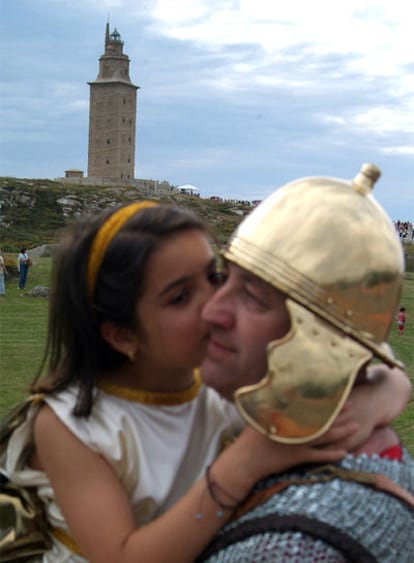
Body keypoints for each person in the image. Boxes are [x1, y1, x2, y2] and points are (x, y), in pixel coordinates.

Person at [2, 201, 358, 563]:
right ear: (122, 336)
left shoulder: (211, 382)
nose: (217, 302)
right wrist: (245, 462)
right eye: (180, 297)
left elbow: (342, 395)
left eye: (214, 276)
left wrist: (389, 387)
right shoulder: (70, 425)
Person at [198, 163, 414, 562]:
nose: (212, 310)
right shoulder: (364, 440)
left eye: (252, 298)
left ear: (325, 345)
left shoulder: (288, 551)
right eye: (222, 277)